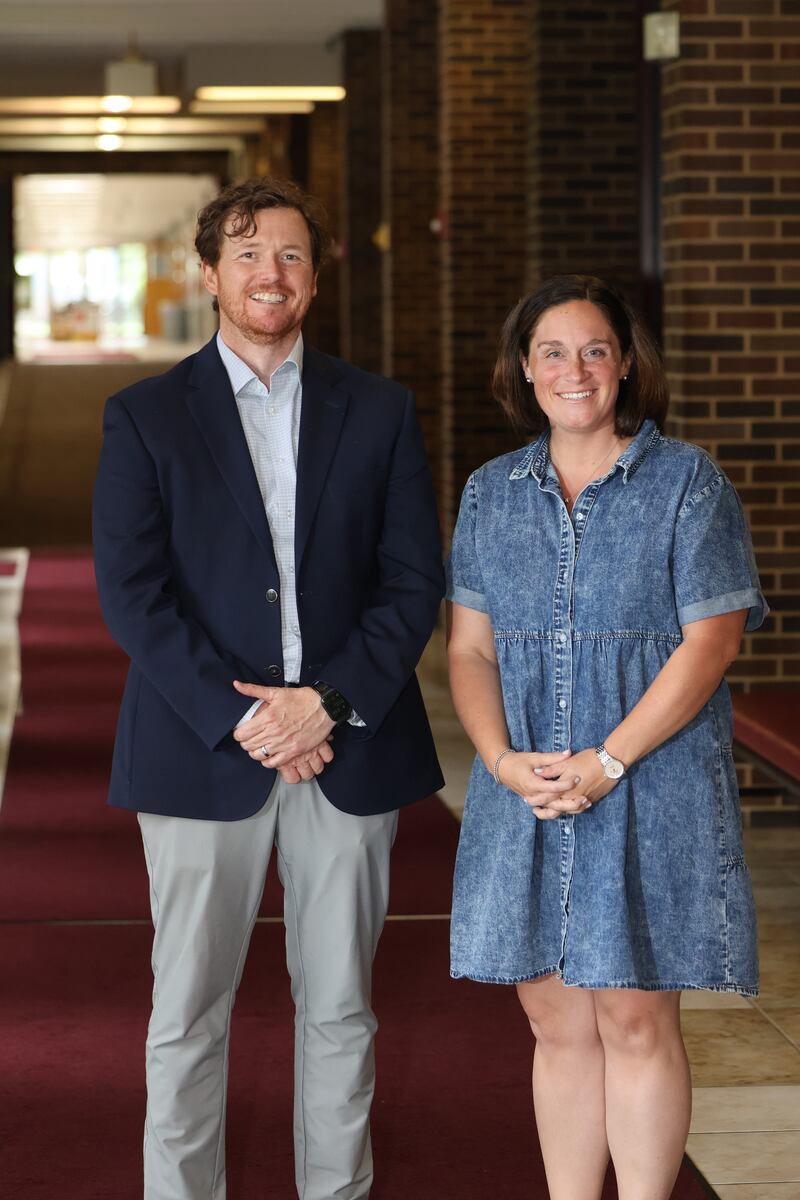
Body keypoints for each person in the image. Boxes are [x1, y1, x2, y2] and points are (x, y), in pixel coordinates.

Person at [92, 176, 444, 1200]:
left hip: (351, 748)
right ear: (208, 275)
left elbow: (410, 578)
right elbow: (133, 595)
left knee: (340, 1009)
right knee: (188, 1013)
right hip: (201, 752)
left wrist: (323, 703)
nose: (268, 274)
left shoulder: (378, 411)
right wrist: (251, 716)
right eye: (245, 254)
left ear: (315, 277)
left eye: (288, 255)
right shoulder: (144, 417)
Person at [445, 274, 765, 1200]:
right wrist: (503, 762)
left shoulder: (686, 483)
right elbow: (469, 647)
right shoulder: (490, 493)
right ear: (524, 368)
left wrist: (610, 758)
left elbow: (712, 640)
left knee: (633, 1018)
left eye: (594, 349)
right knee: (555, 1023)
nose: (573, 369)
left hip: (650, 782)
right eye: (552, 351)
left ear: (625, 366)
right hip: (529, 786)